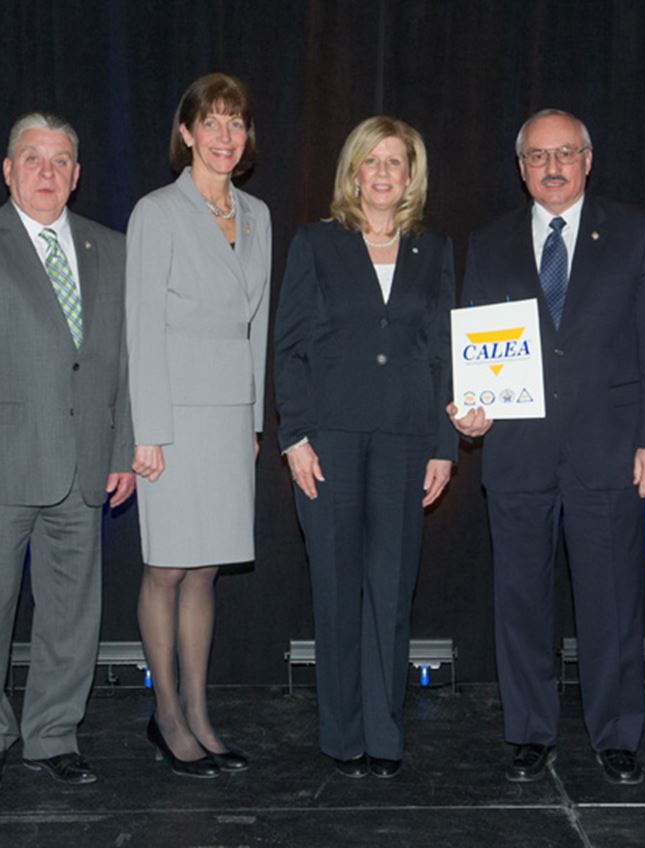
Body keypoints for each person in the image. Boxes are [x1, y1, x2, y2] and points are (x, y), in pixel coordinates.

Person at [451, 109, 645, 786]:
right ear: (521, 168)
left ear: (588, 159)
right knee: (520, 599)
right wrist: (470, 415)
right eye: (537, 157)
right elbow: (475, 351)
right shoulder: (489, 243)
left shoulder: (638, 233)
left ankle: (616, 734)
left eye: (565, 154)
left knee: (610, 600)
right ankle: (529, 730)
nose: (552, 167)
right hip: (517, 454)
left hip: (610, 451)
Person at [0, 112, 135, 795]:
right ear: (8, 170)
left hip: (83, 463)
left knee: (73, 614)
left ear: (77, 175)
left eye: (61, 160)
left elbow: (123, 363)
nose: (47, 171)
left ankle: (53, 735)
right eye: (33, 158)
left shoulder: (113, 248)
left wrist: (124, 449)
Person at [274, 116, 456, 779]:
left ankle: (385, 735)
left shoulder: (433, 250)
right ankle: (342, 735)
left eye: (396, 162)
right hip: (329, 440)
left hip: (407, 442)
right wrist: (293, 435)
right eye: (370, 161)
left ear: (412, 175)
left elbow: (443, 354)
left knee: (391, 589)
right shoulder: (317, 244)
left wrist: (444, 447)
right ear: (353, 173)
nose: (383, 173)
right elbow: (289, 347)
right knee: (336, 588)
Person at [125, 73, 270, 779]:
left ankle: (201, 712)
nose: (223, 136)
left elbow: (258, 324)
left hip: (227, 417)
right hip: (173, 417)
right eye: (210, 123)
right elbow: (141, 323)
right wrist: (145, 428)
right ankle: (167, 717)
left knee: (205, 570)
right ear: (186, 133)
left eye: (234, 124)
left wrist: (253, 417)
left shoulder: (258, 215)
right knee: (167, 566)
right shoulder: (156, 212)